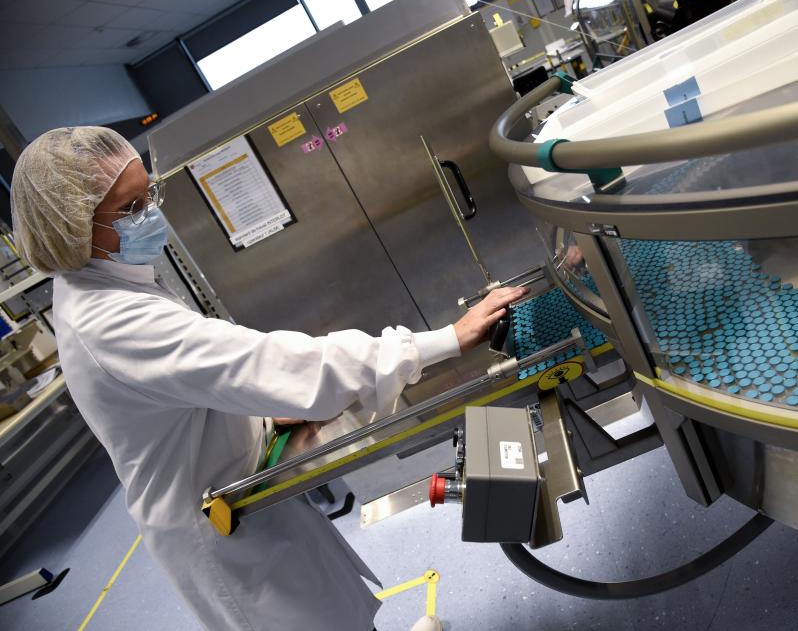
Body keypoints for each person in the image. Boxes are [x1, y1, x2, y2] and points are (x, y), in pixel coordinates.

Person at [11, 126, 527, 631]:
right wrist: (447, 340)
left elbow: (186, 389)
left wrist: (264, 417)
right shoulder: (111, 322)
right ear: (71, 229)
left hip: (232, 484)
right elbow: (271, 362)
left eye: (150, 193)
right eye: (129, 208)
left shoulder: (107, 282)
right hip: (213, 521)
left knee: (330, 610)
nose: (150, 214)